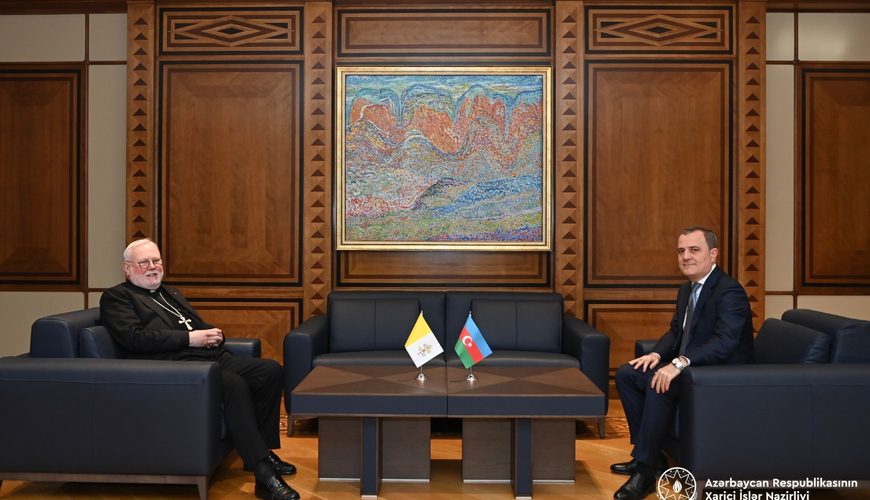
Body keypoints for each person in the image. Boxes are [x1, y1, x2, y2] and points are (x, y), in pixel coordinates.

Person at [100, 238, 300, 500]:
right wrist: (190, 339)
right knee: (233, 384)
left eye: (156, 260)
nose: (152, 267)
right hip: (172, 367)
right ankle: (263, 474)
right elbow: (134, 338)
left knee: (270, 371)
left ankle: (264, 451)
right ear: (127, 268)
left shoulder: (170, 292)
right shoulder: (117, 297)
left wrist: (214, 335)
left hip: (207, 358)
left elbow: (195, 324)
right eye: (144, 262)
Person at [611, 227, 754, 500]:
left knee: (660, 383)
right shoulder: (687, 289)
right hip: (692, 370)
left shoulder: (729, 291)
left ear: (713, 254)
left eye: (694, 250)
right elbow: (676, 331)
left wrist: (680, 363)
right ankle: (651, 457)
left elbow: (725, 342)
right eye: (681, 251)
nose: (686, 256)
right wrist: (656, 355)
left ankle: (645, 471)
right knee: (628, 374)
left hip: (718, 378)